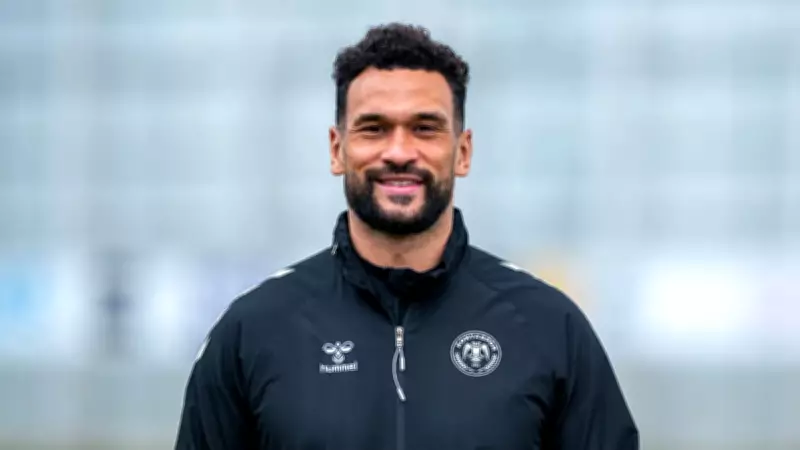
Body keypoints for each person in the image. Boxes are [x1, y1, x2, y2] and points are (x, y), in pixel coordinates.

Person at [175, 23, 639, 450]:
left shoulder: (547, 325)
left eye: (424, 129)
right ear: (337, 150)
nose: (399, 152)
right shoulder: (254, 329)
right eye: (374, 129)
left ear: (463, 152)